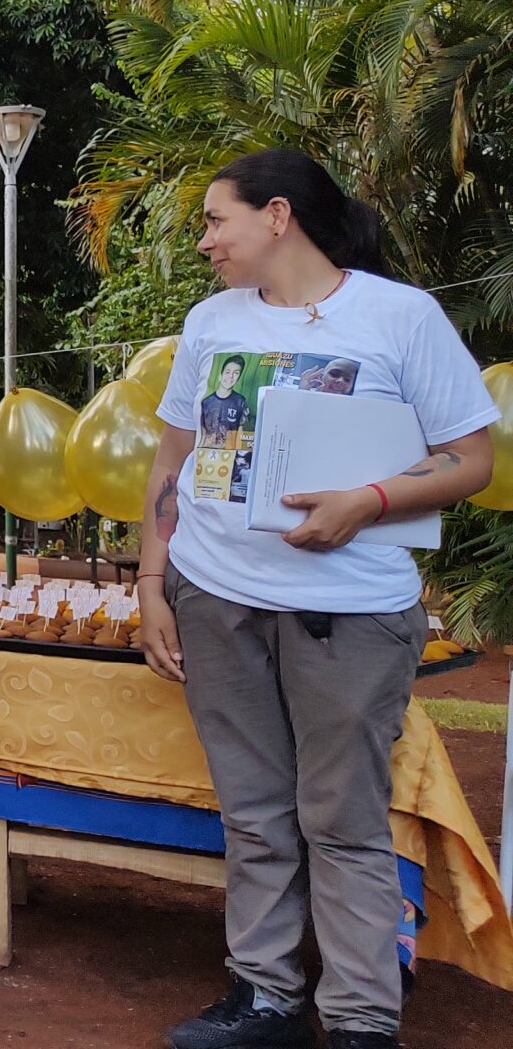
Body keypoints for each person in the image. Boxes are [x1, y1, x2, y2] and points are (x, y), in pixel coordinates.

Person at [135, 150, 496, 1049]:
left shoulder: (398, 317)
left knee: (340, 819)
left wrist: (366, 504)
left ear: (278, 215)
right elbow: (173, 463)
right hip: (216, 597)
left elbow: (473, 459)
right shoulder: (211, 322)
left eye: (218, 220)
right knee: (253, 813)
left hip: (352, 612)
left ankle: (361, 1020)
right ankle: (263, 996)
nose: (207, 240)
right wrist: (153, 581)